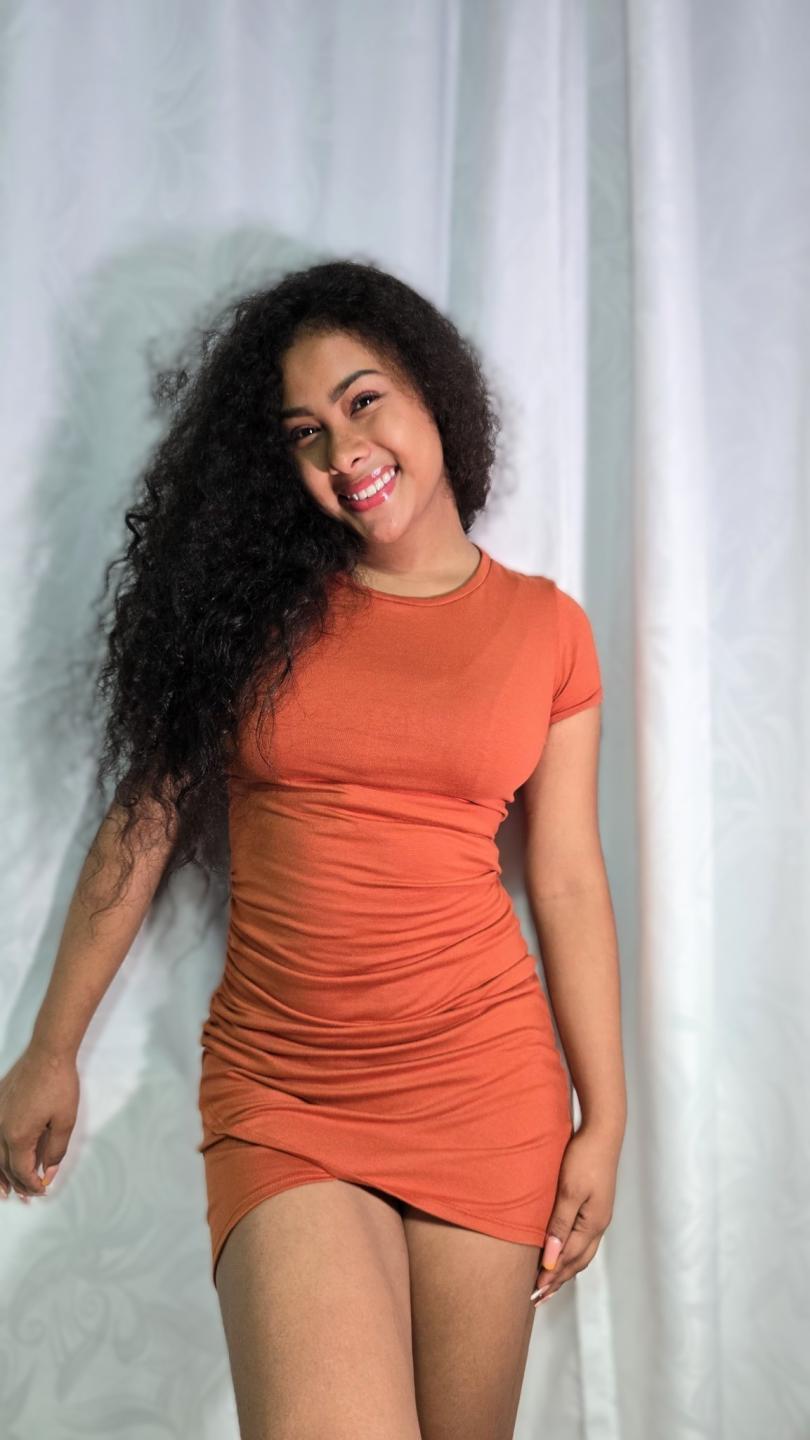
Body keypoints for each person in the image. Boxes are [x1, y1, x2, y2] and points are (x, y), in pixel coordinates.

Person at [0, 258, 626, 1440]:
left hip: (486, 1093)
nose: (343, 449)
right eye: (305, 433)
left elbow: (567, 880)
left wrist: (607, 1117)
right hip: (284, 1095)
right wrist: (52, 1046)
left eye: (362, 399)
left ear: (433, 391)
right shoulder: (257, 615)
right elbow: (144, 819)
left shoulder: (549, 630)